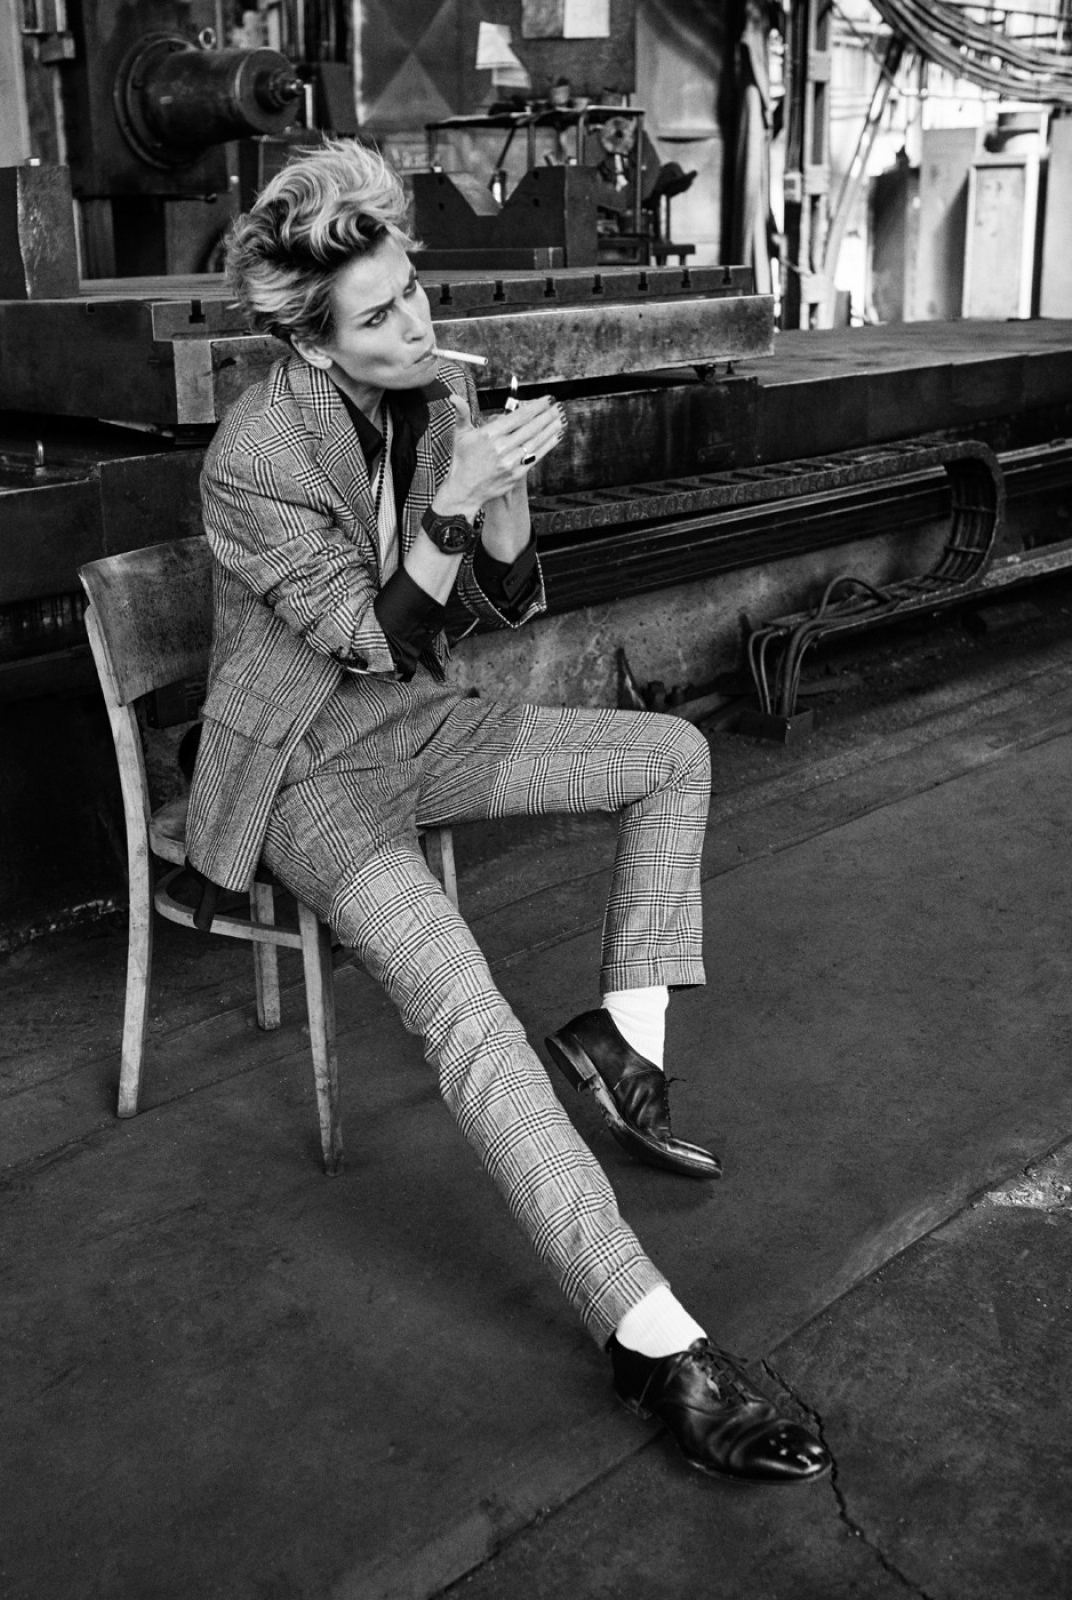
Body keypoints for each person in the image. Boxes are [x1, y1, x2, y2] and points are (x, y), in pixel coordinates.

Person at [184, 137, 830, 1485]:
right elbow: (369, 634)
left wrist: (506, 496)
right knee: (472, 1021)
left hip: (420, 727)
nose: (417, 326)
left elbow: (503, 601)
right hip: (311, 775)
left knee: (669, 754)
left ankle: (620, 1038)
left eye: (415, 292)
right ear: (308, 341)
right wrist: (456, 501)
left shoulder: (431, 394)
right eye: (378, 317)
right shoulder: (252, 456)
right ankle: (653, 1340)